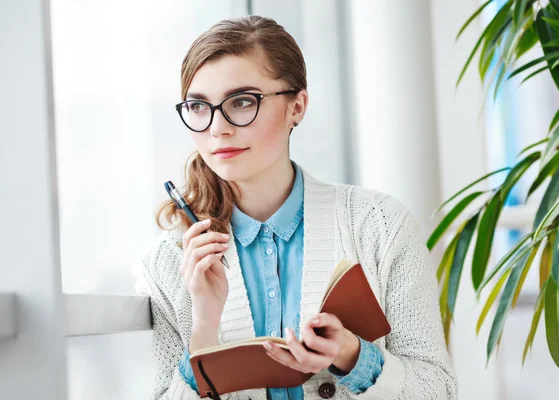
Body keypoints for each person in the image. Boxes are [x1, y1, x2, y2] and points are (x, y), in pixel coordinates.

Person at [132, 15, 457, 400]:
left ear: (297, 107)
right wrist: (203, 330)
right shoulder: (168, 263)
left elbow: (439, 391)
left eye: (241, 101)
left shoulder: (380, 226)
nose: (217, 127)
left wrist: (353, 356)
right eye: (199, 107)